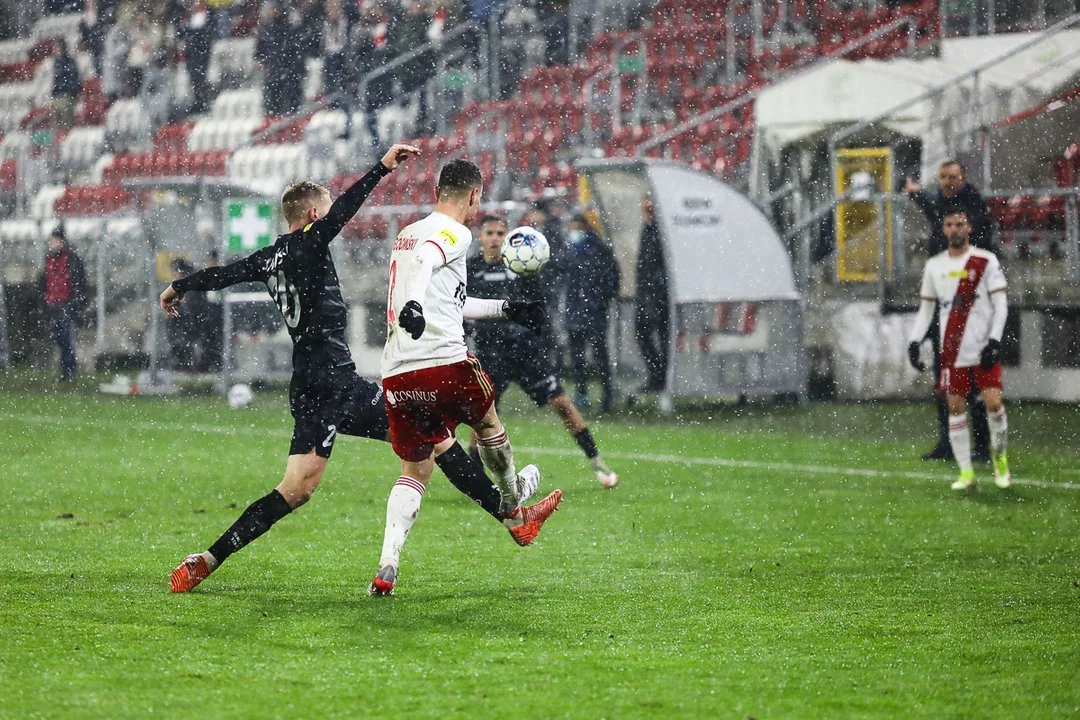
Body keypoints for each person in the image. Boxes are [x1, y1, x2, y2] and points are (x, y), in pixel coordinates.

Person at [162, 145, 549, 593]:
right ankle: (513, 517)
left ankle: (207, 559)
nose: (330, 223)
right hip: (337, 381)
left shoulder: (268, 258)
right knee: (438, 441)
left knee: (297, 489)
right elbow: (345, 211)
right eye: (322, 214)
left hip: (307, 386)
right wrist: (381, 169)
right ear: (310, 214)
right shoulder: (309, 241)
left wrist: (178, 286)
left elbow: (223, 274)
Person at [371, 159, 562, 596]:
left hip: (398, 372)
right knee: (489, 423)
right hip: (444, 362)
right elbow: (426, 263)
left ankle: (387, 563)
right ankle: (516, 509)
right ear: (473, 196)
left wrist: (504, 308)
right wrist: (415, 308)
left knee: (415, 468)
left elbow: (445, 297)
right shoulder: (454, 233)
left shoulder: (407, 233)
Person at [467, 215, 619, 488]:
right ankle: (475, 478)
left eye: (500, 233)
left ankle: (597, 463)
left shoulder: (524, 267)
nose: (494, 238)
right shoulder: (470, 270)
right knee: (481, 418)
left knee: (562, 404)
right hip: (491, 354)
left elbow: (539, 307)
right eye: (489, 232)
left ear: (507, 237)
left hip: (526, 353)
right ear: (480, 236)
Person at [907, 207, 1011, 490]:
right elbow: (927, 308)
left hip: (982, 347)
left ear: (969, 227)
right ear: (943, 229)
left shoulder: (985, 261)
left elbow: (1001, 305)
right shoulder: (934, 266)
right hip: (952, 351)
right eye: (950, 224)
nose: (954, 229)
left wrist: (995, 340)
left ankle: (1000, 461)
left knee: (994, 405)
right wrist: (915, 342)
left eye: (960, 224)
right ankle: (966, 473)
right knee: (955, 410)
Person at [905, 160, 994, 462]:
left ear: (963, 179)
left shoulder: (971, 206)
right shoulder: (944, 208)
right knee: (944, 378)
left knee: (974, 379)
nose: (946, 182)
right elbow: (935, 209)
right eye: (942, 177)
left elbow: (976, 246)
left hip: (970, 309)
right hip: (944, 308)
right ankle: (947, 442)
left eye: (952, 177)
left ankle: (982, 446)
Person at [563, 213, 620, 411]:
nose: (574, 232)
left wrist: (598, 301)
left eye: (578, 228)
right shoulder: (568, 251)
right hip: (574, 311)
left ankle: (607, 395)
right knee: (577, 357)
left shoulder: (599, 251)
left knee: (599, 355)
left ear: (586, 228)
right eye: (572, 228)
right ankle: (581, 394)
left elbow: (613, 279)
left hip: (594, 313)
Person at [40, 227, 88, 383]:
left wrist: (75, 303)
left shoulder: (70, 259)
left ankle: (69, 370)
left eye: (55, 241)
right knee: (61, 339)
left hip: (66, 304)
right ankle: (66, 370)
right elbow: (45, 281)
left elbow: (78, 282)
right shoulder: (50, 259)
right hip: (54, 304)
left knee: (67, 338)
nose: (52, 244)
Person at [634, 196, 669, 393]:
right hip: (646, 294)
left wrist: (656, 289)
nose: (647, 211)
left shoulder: (662, 231)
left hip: (660, 296)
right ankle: (656, 375)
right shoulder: (646, 230)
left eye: (651, 207)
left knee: (664, 338)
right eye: (645, 206)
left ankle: (663, 377)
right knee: (642, 334)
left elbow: (659, 265)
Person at [51, 39, 82, 131]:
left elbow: (74, 79)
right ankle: (60, 134)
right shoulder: (56, 62)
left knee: (66, 115)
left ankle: (66, 131)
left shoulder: (70, 62)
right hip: (58, 95)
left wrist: (70, 92)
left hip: (69, 95)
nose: (56, 50)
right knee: (56, 117)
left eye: (58, 47)